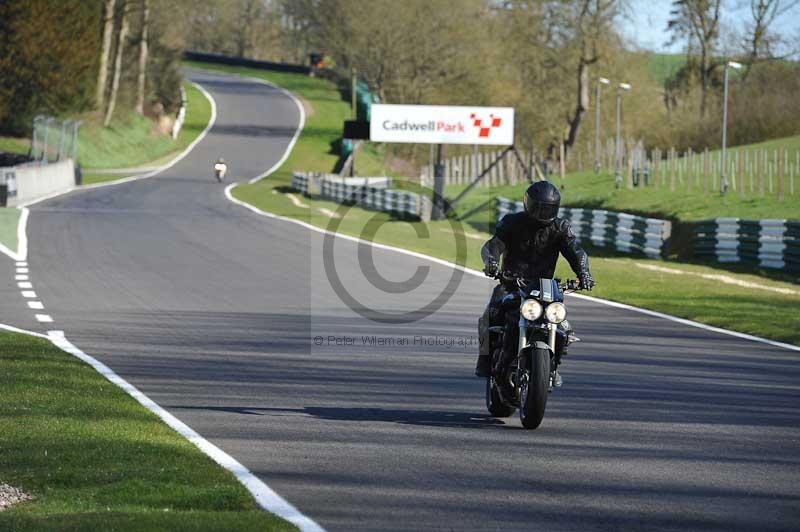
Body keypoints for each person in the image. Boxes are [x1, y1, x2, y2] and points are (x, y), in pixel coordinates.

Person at [475, 181, 594, 382]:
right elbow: (493, 245)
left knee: (563, 324)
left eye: (548, 208)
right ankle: (485, 360)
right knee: (491, 313)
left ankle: (552, 365)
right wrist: (492, 263)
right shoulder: (512, 222)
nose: (542, 213)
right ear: (528, 204)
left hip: (544, 288)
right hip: (512, 283)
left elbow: (575, 251)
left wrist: (584, 273)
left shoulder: (560, 228)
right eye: (538, 207)